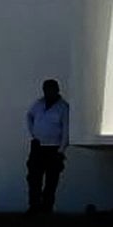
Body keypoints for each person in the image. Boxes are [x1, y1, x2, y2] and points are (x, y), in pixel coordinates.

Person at [25, 78, 70, 214]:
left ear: (57, 90)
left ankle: (46, 209)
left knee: (51, 181)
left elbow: (67, 129)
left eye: (51, 90)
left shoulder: (63, 107)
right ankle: (34, 207)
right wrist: (33, 133)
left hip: (54, 148)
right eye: (46, 90)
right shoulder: (39, 103)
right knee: (33, 179)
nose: (48, 92)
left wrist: (61, 150)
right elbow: (29, 116)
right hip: (38, 146)